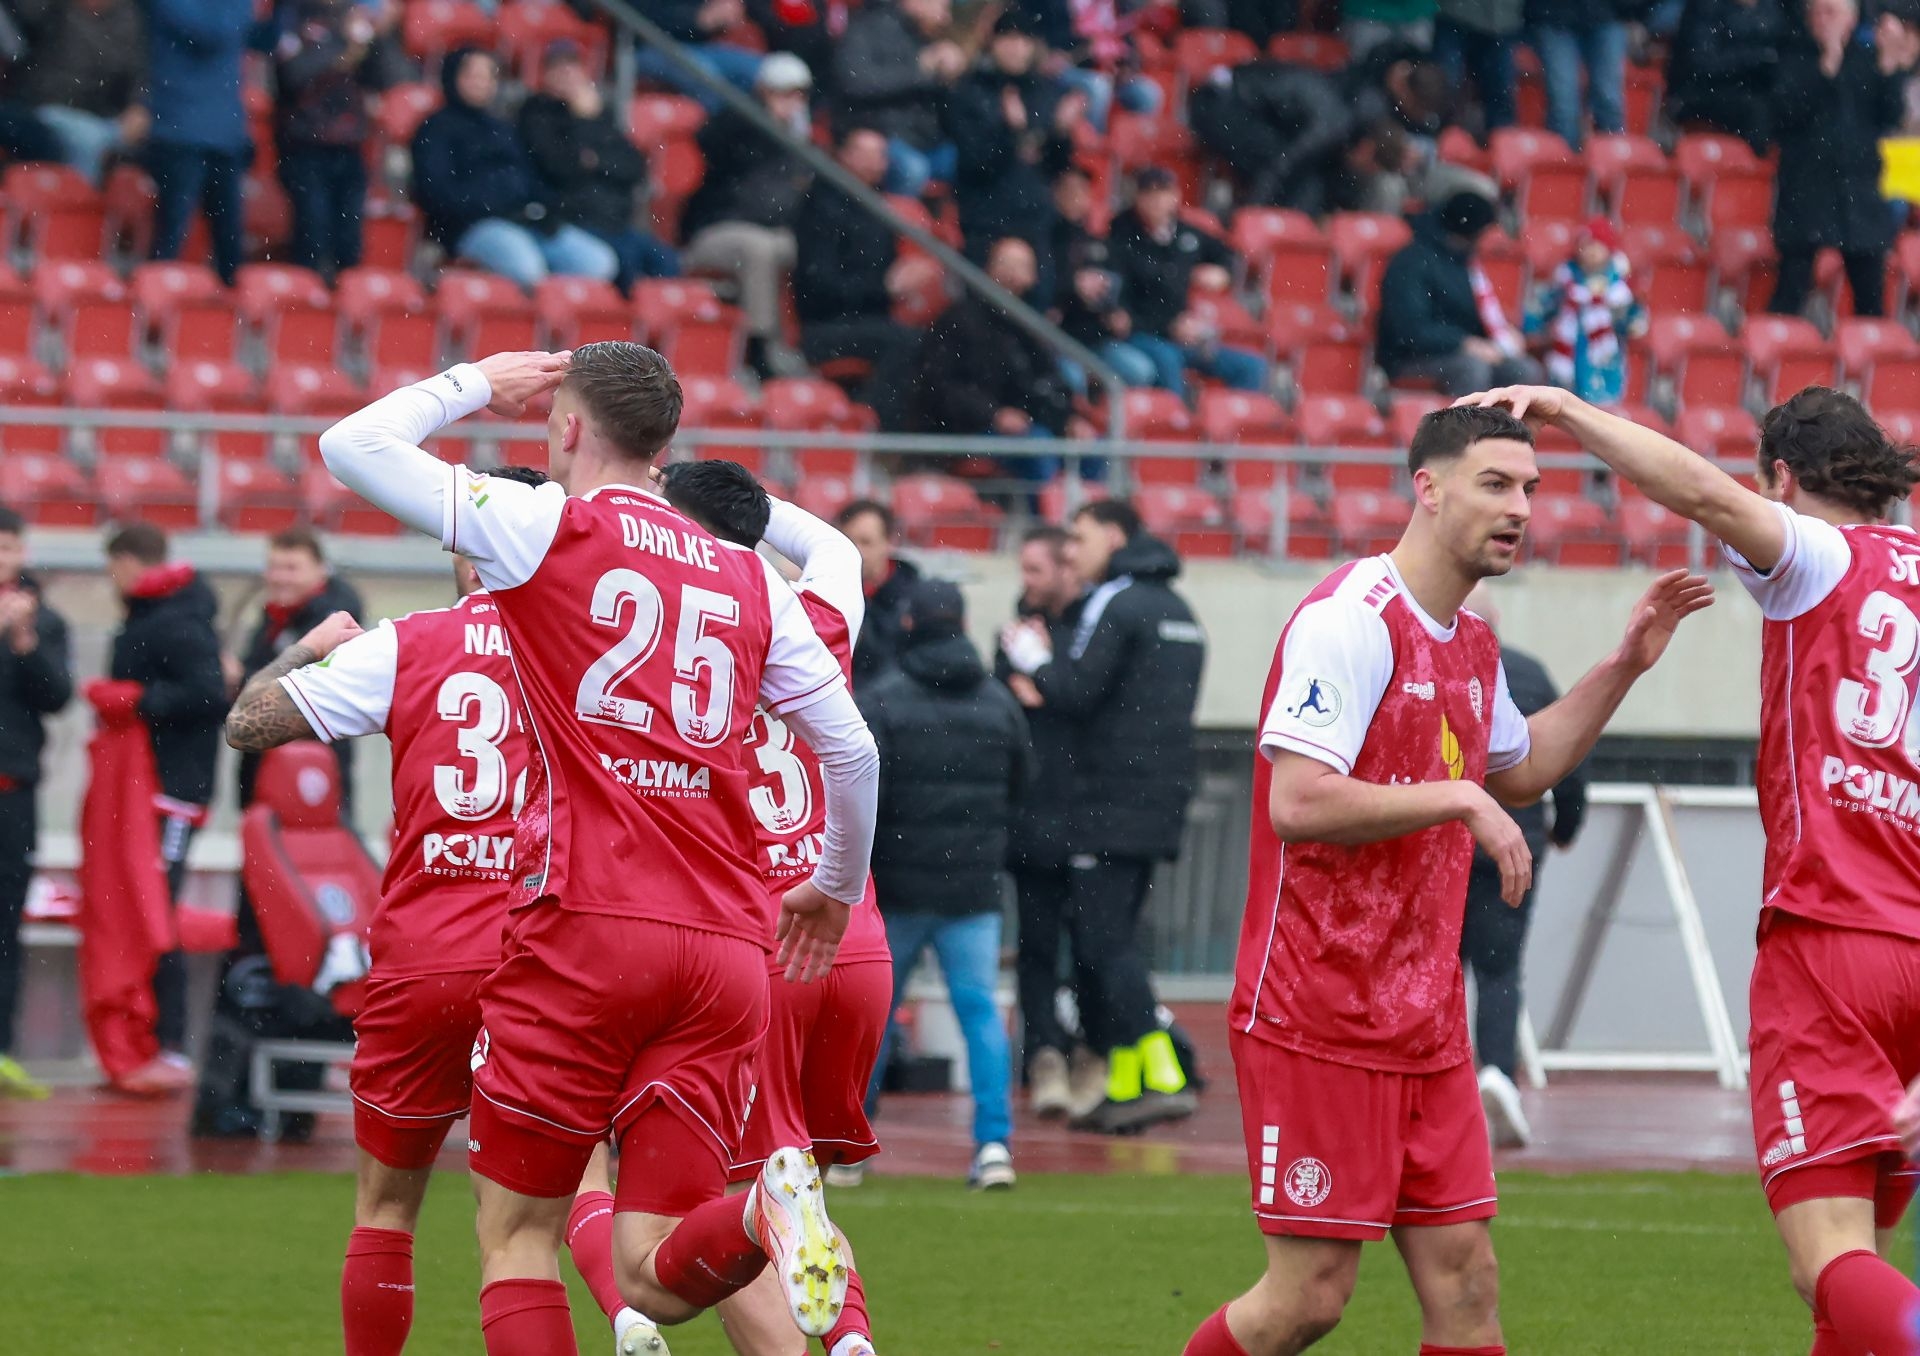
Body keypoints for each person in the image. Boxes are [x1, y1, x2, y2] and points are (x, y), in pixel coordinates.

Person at [315, 342, 880, 1356]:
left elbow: (353, 447)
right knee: (653, 1272)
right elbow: (852, 747)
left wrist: (477, 382)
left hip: (587, 925)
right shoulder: (753, 578)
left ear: (570, 427)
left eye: (549, 421)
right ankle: (761, 1216)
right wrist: (834, 886)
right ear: (664, 444)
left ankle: (760, 1216)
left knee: (518, 1236)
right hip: (726, 947)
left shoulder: (545, 525)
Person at [1180, 403, 1710, 1356]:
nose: (1520, 510)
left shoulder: (1470, 638)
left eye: (1531, 490)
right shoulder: (1348, 619)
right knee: (1309, 1300)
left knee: (1467, 1282)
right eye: (1495, 485)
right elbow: (1297, 801)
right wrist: (1461, 797)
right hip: (1318, 1010)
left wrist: (1626, 665)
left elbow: (1524, 766)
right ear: (1426, 488)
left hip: (1425, 1021)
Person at [1466, 382, 1920, 1356]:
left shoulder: (1820, 554)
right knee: (1855, 1277)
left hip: (1832, 938)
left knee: (1826, 1257)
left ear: (1784, 478)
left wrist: (1566, 410)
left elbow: (1702, 493)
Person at [216, 469, 673, 1356]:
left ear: (467, 549)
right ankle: (628, 1311)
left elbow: (247, 724)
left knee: (386, 1210)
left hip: (426, 956)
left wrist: (306, 647)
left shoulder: (408, 642)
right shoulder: (608, 652)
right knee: (547, 1208)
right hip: (549, 953)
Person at [659, 461, 887, 1355]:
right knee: (800, 1199)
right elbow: (833, 548)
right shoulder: (819, 616)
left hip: (760, 942)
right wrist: (749, 506)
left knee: (740, 1198)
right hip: (851, 936)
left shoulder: (675, 629)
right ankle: (852, 1341)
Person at [998, 499, 1206, 1135]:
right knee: (1117, 940)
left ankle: (1163, 1073)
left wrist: (1035, 661)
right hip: (1158, 804)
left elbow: (1074, 689)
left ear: (1114, 537)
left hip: (1108, 807)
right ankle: (1125, 1085)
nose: (1072, 550)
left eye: (1081, 537)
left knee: (1101, 944)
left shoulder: (1114, 602)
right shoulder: (1181, 610)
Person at [860, 578, 1032, 1189]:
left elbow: (862, 792)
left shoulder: (882, 699)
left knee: (872, 1016)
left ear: (909, 624)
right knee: (980, 1015)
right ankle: (994, 1146)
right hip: (973, 891)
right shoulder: (999, 701)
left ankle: (849, 1143)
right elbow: (1021, 785)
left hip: (898, 891)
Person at [1455, 582, 1587, 1149]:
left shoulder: (1434, 667)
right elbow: (1568, 756)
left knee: (1437, 967)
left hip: (1445, 839)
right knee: (1500, 968)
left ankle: (1436, 1085)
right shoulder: (1528, 673)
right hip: (1513, 845)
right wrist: (1565, 827)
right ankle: (1498, 1076)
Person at [102, 521, 228, 1095]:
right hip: (153, 785)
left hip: (172, 788)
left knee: (157, 908)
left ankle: (170, 1043)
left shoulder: (176, 621)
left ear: (129, 562)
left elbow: (209, 694)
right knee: (145, 906)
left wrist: (138, 700)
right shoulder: (161, 614)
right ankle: (151, 1039)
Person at [995, 525, 1101, 1120]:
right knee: (1035, 946)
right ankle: (1043, 1058)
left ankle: (1088, 1051)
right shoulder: (1016, 629)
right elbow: (1011, 698)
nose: (1026, 581)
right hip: (1033, 816)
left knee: (1091, 946)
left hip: (1085, 815)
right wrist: (1043, 690)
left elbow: (1081, 702)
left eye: (1036, 569)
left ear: (1066, 569)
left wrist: (1047, 686)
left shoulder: (1094, 630)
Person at [411, 47, 619, 291]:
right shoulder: (435, 129)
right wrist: (492, 202)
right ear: (453, 77)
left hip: (525, 221)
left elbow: (529, 178)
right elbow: (437, 192)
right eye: (473, 75)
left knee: (598, 263)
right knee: (528, 268)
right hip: (472, 225)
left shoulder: (503, 127)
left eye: (488, 76)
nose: (481, 83)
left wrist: (542, 209)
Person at [1767, 0, 1919, 318]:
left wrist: (1889, 68)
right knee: (1791, 290)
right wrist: (1826, 67)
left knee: (1870, 297)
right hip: (1807, 189)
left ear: (1851, 20)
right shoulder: (1793, 57)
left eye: (1831, 12)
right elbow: (1783, 115)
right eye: (1817, 12)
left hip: (1857, 191)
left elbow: (1889, 115)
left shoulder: (1866, 60)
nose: (1823, 20)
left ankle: (1870, 348)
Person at [679, 53, 815, 379]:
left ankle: (806, 342)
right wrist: (761, 116)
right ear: (763, 91)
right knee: (760, 248)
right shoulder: (739, 123)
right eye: (783, 93)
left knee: (796, 246)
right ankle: (759, 346)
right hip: (715, 231)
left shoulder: (799, 141)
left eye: (798, 95)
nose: (791, 103)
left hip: (769, 230)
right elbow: (709, 140)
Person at [0, 507, 72, 1102]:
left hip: (11, 792)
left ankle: (2, 1049)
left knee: (5, 923)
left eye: (8, 549)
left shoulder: (44, 619)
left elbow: (58, 697)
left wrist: (25, 643)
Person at [519, 39, 681, 293]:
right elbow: (561, 166)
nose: (567, 75)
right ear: (545, 75)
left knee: (667, 262)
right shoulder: (536, 113)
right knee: (625, 265)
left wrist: (594, 159)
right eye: (558, 68)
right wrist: (584, 124)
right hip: (571, 220)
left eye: (572, 67)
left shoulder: (598, 115)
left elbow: (633, 166)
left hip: (615, 222)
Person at [791, 126, 921, 430]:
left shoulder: (877, 210)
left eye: (882, 154)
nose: (878, 162)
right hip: (824, 328)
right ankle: (869, 427)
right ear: (845, 155)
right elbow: (818, 288)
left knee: (932, 340)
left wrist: (902, 282)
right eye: (869, 153)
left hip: (867, 323)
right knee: (908, 341)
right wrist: (885, 288)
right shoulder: (821, 207)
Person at [272, 0, 410, 279]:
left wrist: (381, 38)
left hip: (350, 148)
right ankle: (307, 299)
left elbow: (394, 78)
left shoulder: (356, 20)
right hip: (304, 147)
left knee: (350, 243)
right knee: (312, 235)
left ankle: (345, 297)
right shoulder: (293, 14)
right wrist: (341, 42)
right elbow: (292, 75)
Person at [1104, 167, 1268, 398]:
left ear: (1176, 196)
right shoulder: (1121, 236)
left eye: (1163, 192)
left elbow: (1229, 254)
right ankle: (1176, 418)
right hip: (1143, 333)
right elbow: (1121, 311)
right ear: (1138, 198)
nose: (1156, 200)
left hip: (1183, 332)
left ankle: (1232, 418)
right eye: (1149, 193)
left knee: (1251, 366)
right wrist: (1168, 326)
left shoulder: (1185, 233)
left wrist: (1223, 273)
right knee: (1168, 360)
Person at [946, 11, 1082, 286]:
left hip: (1035, 221)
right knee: (986, 302)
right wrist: (1012, 133)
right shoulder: (970, 90)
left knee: (1037, 303)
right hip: (986, 220)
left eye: (1023, 40)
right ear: (993, 43)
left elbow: (1056, 166)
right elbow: (975, 162)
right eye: (1007, 38)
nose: (1015, 48)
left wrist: (1061, 133)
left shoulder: (1044, 92)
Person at [233, 526, 365, 809]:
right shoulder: (275, 615)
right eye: (274, 567)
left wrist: (242, 678)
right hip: (267, 765)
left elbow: (295, 690)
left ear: (321, 570)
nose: (280, 577)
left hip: (312, 772)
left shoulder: (335, 622)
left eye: (291, 568)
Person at [908, 237, 1072, 456]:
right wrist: (993, 414)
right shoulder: (959, 320)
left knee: (1088, 449)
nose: (1013, 274)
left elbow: (1045, 380)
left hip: (1026, 425)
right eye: (1007, 264)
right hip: (969, 430)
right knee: (1039, 451)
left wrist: (1068, 420)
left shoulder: (1028, 325)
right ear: (989, 268)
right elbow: (939, 384)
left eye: (1021, 266)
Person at [1378, 189, 1542, 396]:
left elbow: (1474, 316)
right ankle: (1465, 419)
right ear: (1473, 233)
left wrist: (1503, 337)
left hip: (1461, 352)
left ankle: (1505, 419)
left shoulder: (1465, 262)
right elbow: (1411, 330)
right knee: (1472, 368)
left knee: (1524, 370)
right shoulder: (1412, 262)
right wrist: (1464, 343)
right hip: (1411, 358)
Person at [143, 0, 256, 286]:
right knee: (172, 233)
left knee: (229, 243)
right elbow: (211, 33)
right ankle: (156, 299)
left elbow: (266, 39)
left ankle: (228, 307)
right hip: (180, 129)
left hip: (223, 132)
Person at [832, 0, 966, 198]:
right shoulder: (869, 27)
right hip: (876, 131)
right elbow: (856, 81)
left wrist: (954, 77)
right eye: (942, 7)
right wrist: (919, 70)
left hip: (921, 139)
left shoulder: (927, 37)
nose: (946, 18)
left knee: (968, 162)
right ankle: (889, 216)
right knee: (913, 170)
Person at [1187, 61, 1356, 214]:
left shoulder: (1335, 115)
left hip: (1233, 94)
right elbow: (1280, 166)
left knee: (1304, 181)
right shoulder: (1330, 127)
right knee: (1296, 180)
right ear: (1363, 147)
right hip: (1220, 105)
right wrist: (1254, 210)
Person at [11, 0, 148, 185]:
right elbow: (25, 13)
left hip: (103, 116)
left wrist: (138, 106)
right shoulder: (54, 9)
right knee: (88, 139)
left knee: (145, 148)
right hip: (46, 107)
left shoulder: (128, 17)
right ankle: (80, 197)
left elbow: (137, 73)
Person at [1522, 217, 1647, 410]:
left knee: (1598, 410)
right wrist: (1531, 326)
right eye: (1587, 246)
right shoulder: (1565, 281)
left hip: (1601, 361)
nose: (1591, 252)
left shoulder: (1618, 288)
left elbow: (1631, 319)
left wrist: (1632, 320)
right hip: (1568, 355)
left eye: (1597, 246)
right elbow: (1543, 307)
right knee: (1563, 406)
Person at [1664, 0, 1790, 153]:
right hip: (1699, 92)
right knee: (1757, 111)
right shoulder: (1706, 7)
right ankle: (1749, 164)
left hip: (1750, 88)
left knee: (1792, 100)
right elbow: (1703, 62)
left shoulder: (1771, 8)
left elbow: (1784, 51)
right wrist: (1756, 58)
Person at [1524, 0, 1629, 149]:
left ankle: (1612, 159)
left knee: (1608, 101)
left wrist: (1634, 12)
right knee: (1565, 106)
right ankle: (1564, 161)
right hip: (1555, 16)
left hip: (1605, 15)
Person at [837, 499, 921, 685]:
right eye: (849, 541)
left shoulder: (915, 598)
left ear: (889, 543)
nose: (856, 551)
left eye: (866, 542)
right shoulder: (827, 591)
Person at [633, 0, 766, 113]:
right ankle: (722, 125)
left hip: (699, 45)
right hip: (649, 45)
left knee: (762, 70)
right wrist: (697, 19)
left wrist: (729, 9)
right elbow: (641, 16)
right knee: (711, 81)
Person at [1433, 0, 1520, 134]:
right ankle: (1439, 137)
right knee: (1443, 87)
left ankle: (1501, 142)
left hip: (1502, 20)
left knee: (1500, 94)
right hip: (1455, 15)